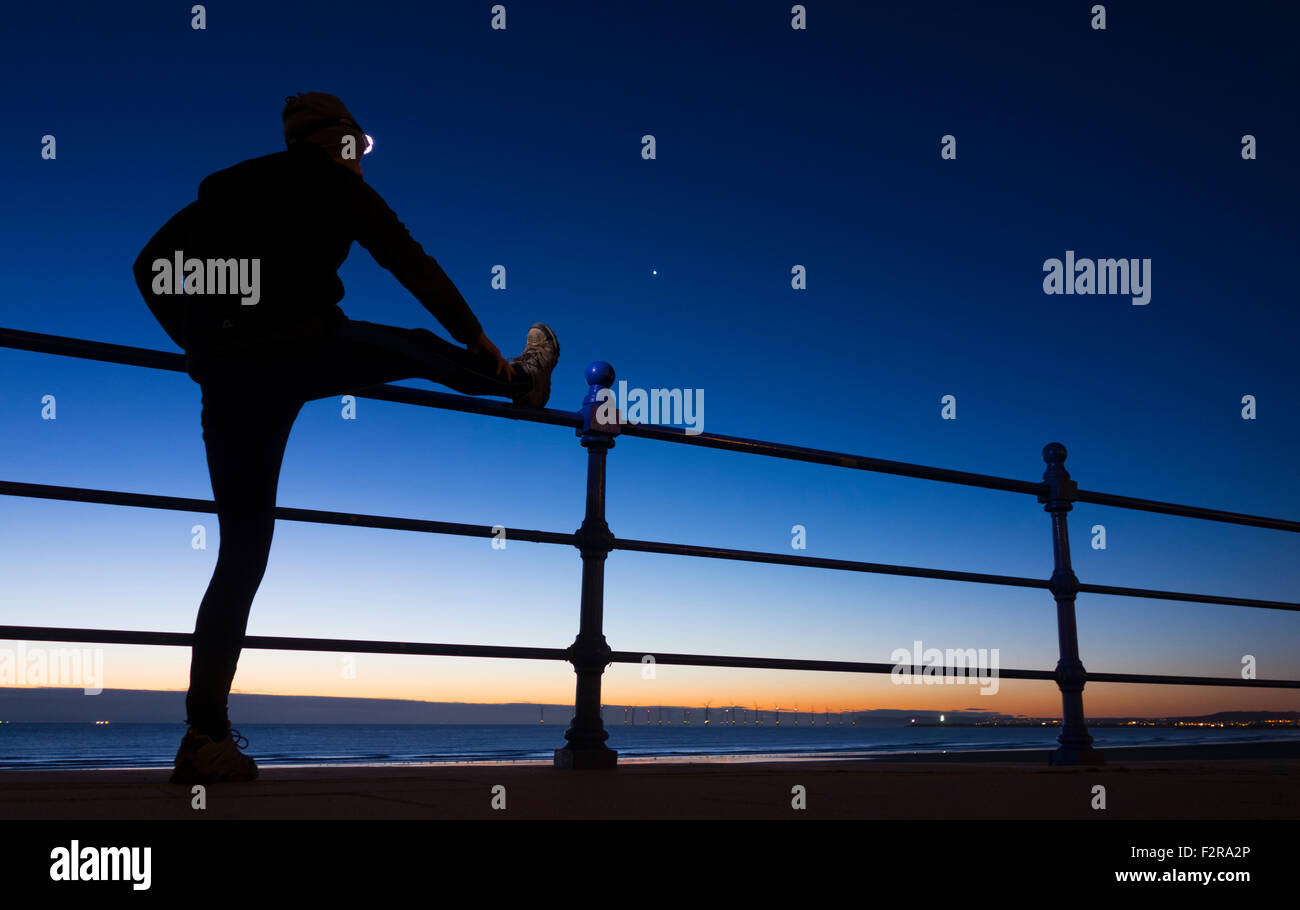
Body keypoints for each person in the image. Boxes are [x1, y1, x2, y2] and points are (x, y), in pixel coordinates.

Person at [132, 92, 560, 784]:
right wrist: (480, 339)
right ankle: (523, 381)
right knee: (419, 348)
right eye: (360, 146)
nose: (363, 159)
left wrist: (204, 345)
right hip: (305, 344)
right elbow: (411, 264)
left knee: (240, 556)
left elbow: (148, 269)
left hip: (233, 379)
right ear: (334, 141)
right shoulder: (334, 182)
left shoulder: (228, 189)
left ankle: (203, 739)